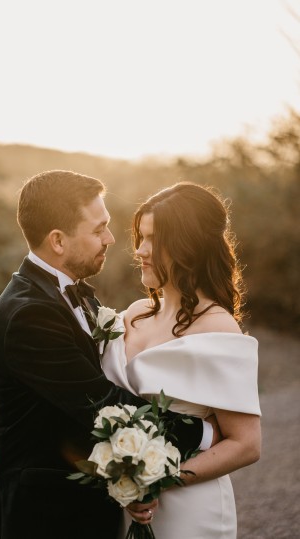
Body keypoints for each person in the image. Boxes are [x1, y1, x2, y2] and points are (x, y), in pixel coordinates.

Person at [0, 170, 217, 539]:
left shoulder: (80, 294)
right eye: (98, 229)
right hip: (41, 515)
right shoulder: (28, 314)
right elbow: (102, 404)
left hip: (86, 509)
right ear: (57, 240)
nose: (110, 238)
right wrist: (205, 433)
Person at [102, 181, 261, 538]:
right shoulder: (134, 314)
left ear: (188, 246)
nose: (140, 250)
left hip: (190, 508)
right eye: (139, 237)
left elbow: (246, 444)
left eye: (152, 239)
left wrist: (156, 481)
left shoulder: (217, 327)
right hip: (125, 505)